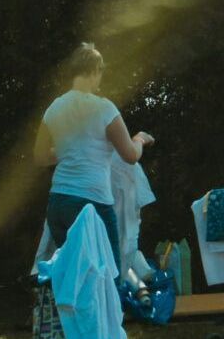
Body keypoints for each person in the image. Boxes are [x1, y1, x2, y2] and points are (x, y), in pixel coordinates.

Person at [33, 43, 153, 253]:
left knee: (73, 274)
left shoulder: (54, 108)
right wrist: (140, 139)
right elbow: (131, 156)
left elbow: (40, 157)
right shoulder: (104, 108)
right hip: (92, 202)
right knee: (108, 274)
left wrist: (71, 149)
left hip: (59, 203)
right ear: (93, 71)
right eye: (100, 72)